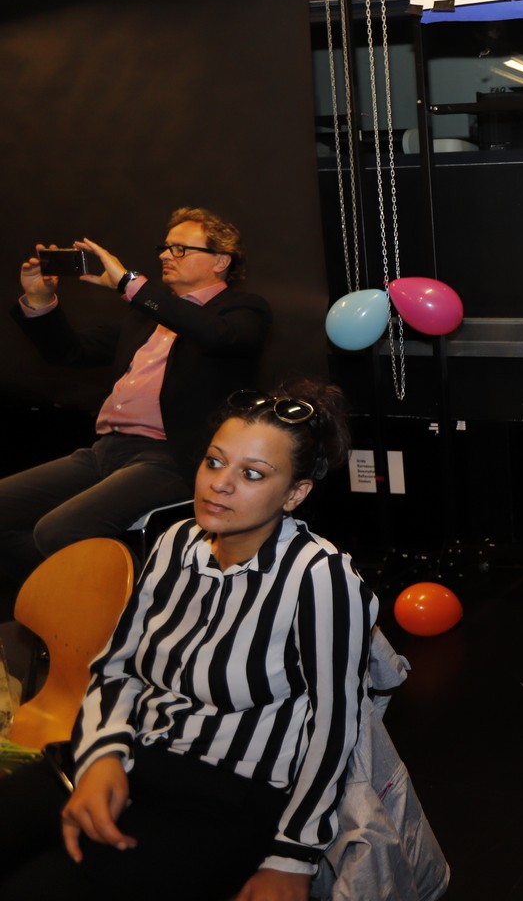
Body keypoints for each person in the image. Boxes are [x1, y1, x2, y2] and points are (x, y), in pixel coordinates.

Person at [0, 380, 375, 901]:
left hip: (224, 796)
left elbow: (334, 729)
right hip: (133, 757)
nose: (220, 484)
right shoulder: (175, 543)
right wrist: (102, 756)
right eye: (214, 462)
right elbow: (118, 666)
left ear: (295, 493)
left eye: (252, 474)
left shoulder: (321, 578)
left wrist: (291, 859)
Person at [0, 207, 272, 606]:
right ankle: (76, 608)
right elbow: (72, 352)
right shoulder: (144, 317)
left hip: (169, 457)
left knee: (57, 530)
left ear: (220, 261)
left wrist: (130, 284)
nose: (165, 255)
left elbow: (214, 336)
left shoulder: (243, 311)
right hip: (105, 451)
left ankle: (137, 612)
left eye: (180, 248)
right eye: (165, 247)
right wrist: (41, 300)